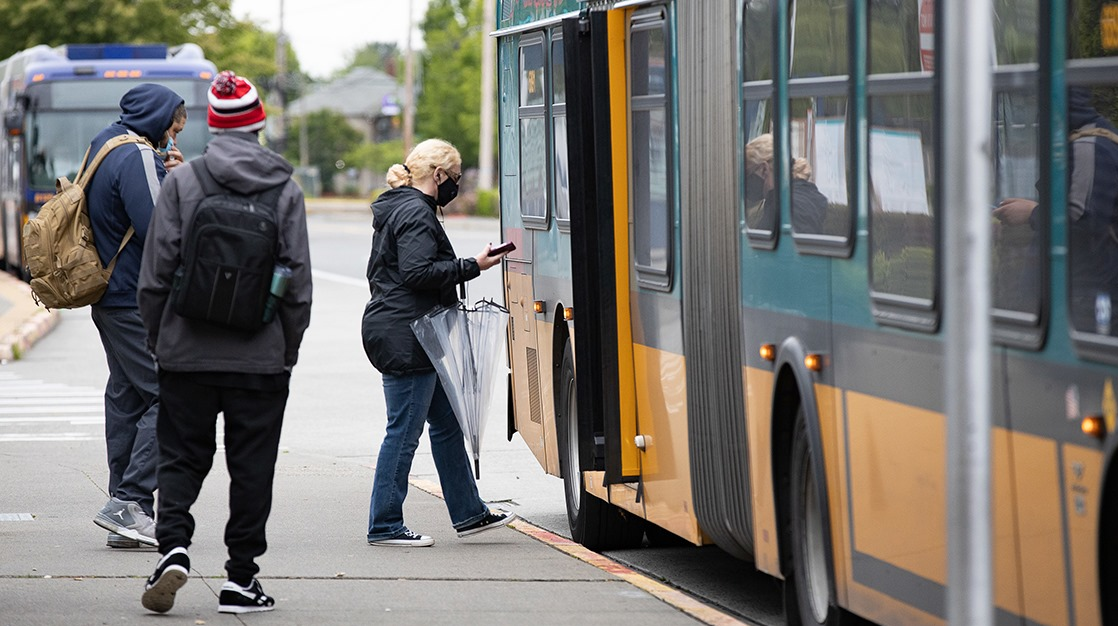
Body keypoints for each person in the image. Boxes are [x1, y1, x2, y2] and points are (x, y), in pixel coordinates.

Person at [136, 71, 312, 615]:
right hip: (259, 360)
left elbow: (155, 274)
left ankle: (174, 546)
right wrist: (285, 352)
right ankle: (240, 580)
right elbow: (297, 284)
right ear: (259, 123)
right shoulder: (284, 188)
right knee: (252, 466)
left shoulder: (185, 183)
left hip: (185, 354)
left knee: (181, 457)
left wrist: (161, 339)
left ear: (213, 125)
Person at [362, 139, 515, 547]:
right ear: (438, 175)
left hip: (407, 331)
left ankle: (469, 513)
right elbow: (417, 272)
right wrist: (473, 266)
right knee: (403, 432)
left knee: (446, 426)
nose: (457, 186)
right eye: (457, 178)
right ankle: (385, 524)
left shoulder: (402, 207)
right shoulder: (414, 211)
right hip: (406, 336)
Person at [88, 84, 187, 550]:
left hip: (111, 295)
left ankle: (128, 514)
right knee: (170, 394)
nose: (172, 135)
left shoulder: (105, 143)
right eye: (172, 125)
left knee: (128, 397)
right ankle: (128, 501)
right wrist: (178, 183)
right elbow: (159, 226)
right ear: (156, 117)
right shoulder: (135, 156)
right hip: (134, 296)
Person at [995, 87, 1118, 332]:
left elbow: (1080, 220)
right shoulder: (1084, 141)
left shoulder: (1089, 147)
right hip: (1075, 295)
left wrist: (1031, 212)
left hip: (1084, 300)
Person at [744, 133, 829, 235]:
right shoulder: (802, 196)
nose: (746, 185)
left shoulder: (786, 208)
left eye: (748, 176)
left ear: (764, 170)